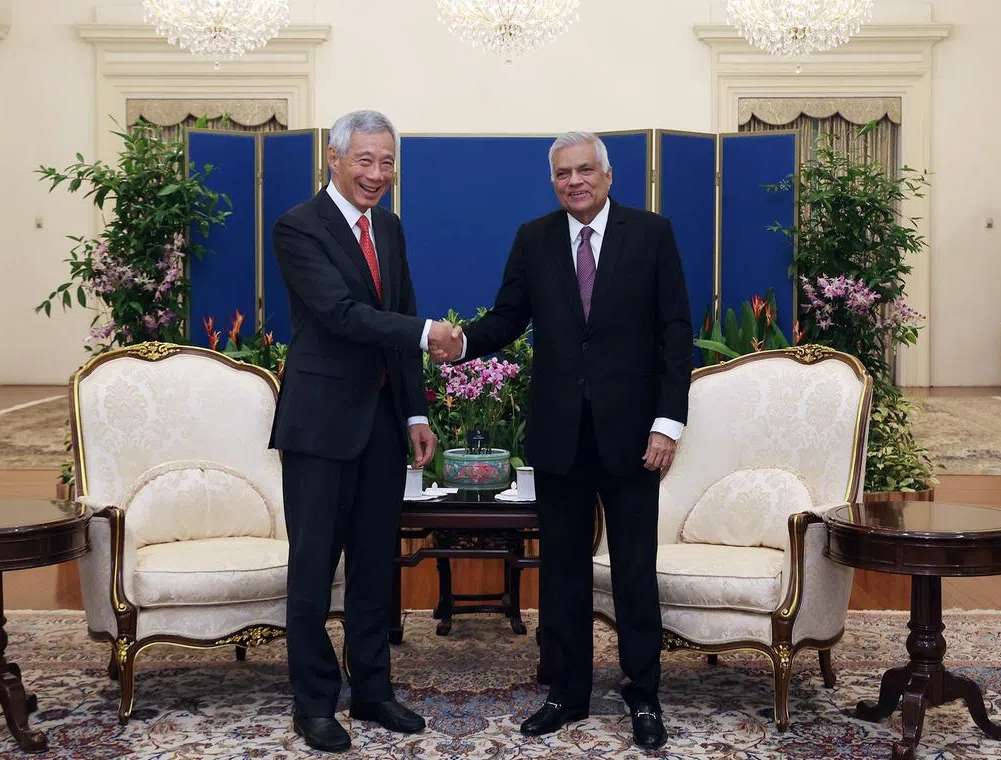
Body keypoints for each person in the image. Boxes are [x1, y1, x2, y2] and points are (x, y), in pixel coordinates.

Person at [434, 131, 691, 750]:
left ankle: (643, 693)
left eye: (584, 170)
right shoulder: (534, 238)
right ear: (553, 181)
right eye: (562, 174)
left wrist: (668, 422)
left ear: (608, 175)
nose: (573, 181)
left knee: (634, 571)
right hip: (559, 436)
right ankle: (567, 693)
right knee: (563, 574)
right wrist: (463, 343)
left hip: (634, 437)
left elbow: (676, 331)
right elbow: (508, 318)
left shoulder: (651, 234)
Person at [270, 109, 462, 753]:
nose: (377, 174)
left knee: (376, 567)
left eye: (387, 163)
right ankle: (314, 703)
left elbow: (400, 313)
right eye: (365, 161)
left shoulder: (391, 227)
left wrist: (415, 413)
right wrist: (427, 333)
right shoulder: (298, 226)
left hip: (381, 424)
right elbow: (343, 314)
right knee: (313, 570)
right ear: (334, 158)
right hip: (320, 425)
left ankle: (374, 691)